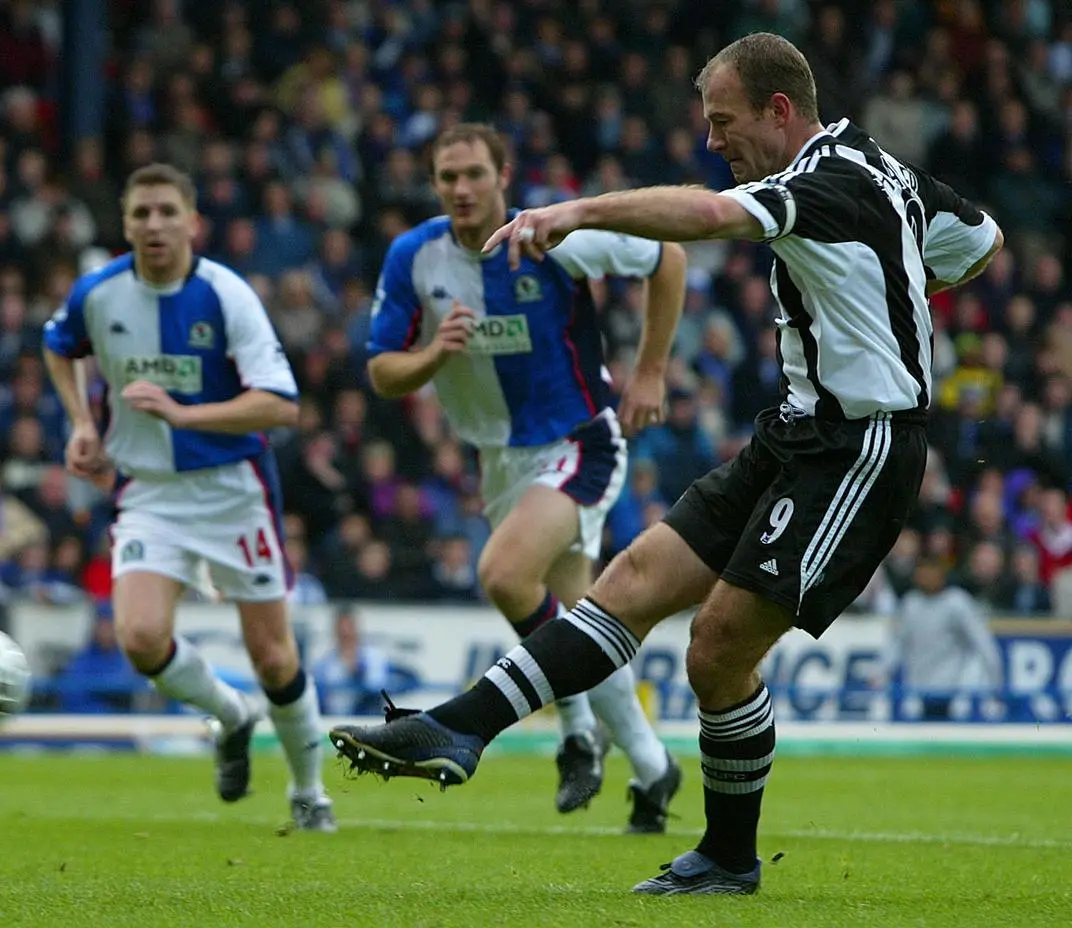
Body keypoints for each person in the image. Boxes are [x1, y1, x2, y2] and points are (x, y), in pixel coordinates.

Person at [331, 33, 1004, 894]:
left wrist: (577, 211)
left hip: (860, 448)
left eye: (724, 124)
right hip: (797, 430)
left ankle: (728, 856)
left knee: (717, 647)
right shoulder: (885, 171)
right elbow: (975, 243)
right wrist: (888, 289)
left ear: (780, 111)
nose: (714, 143)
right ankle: (457, 730)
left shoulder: (819, 181)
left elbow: (711, 219)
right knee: (635, 574)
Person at [366, 123, 688, 831]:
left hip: (579, 440)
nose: (460, 187)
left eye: (474, 173)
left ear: (503, 174)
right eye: (447, 176)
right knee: (585, 627)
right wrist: (430, 355)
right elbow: (383, 370)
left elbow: (667, 257)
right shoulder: (414, 257)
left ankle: (574, 729)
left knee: (505, 574)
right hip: (500, 462)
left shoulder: (548, 235)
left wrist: (651, 370)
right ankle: (655, 767)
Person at [42, 163, 334, 831]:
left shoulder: (227, 296)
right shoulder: (99, 293)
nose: (153, 225)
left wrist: (185, 416)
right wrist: (83, 424)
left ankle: (309, 793)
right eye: (140, 213)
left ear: (192, 223)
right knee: (141, 638)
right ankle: (231, 717)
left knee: (273, 656)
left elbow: (281, 408)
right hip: (150, 491)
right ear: (125, 224)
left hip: (235, 491)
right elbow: (58, 346)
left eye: (166, 212)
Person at [880, 557, 1003, 720]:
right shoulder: (911, 604)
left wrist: (996, 685)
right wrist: (882, 671)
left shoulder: (957, 603)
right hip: (918, 691)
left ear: (941, 575)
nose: (925, 578)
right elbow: (897, 644)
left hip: (952, 691)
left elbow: (984, 645)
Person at [313, 605, 390, 716]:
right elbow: (327, 702)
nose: (346, 634)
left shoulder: (374, 658)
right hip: (337, 720)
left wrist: (357, 671)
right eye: (342, 633)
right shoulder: (324, 665)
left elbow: (377, 688)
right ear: (335, 632)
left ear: (357, 630)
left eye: (350, 630)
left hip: (368, 720)